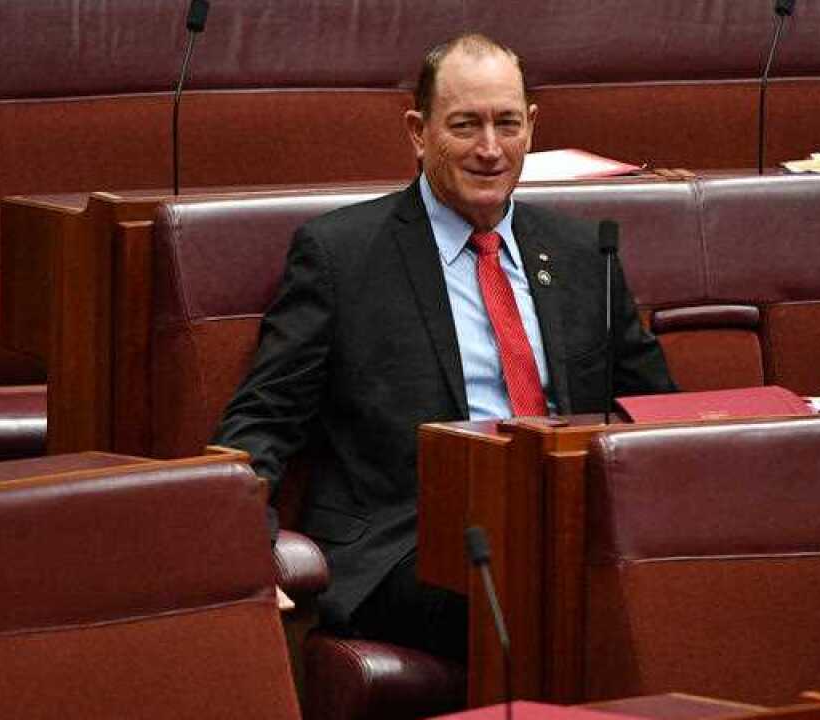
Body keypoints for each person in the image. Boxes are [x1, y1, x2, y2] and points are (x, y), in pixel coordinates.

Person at [214, 33, 675, 663]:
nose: (490, 149)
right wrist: (242, 547)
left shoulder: (581, 253)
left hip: (568, 522)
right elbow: (263, 420)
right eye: (465, 125)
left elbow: (657, 411)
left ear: (532, 127)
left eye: (507, 124)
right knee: (540, 591)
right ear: (418, 130)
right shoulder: (341, 256)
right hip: (407, 542)